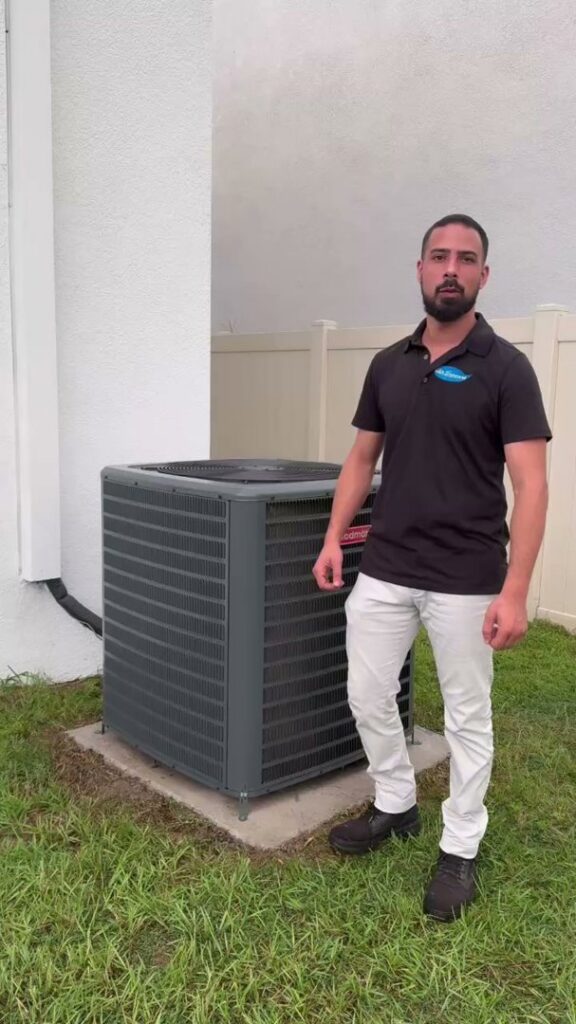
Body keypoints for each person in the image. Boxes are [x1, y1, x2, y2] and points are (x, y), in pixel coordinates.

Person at [312, 214, 551, 922]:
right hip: (386, 565)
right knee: (367, 693)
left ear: (483, 275)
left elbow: (532, 484)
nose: (451, 268)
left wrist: (515, 589)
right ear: (419, 269)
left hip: (467, 576)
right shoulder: (389, 364)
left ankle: (460, 845)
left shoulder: (506, 369)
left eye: (466, 259)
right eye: (439, 256)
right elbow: (362, 458)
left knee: (466, 716)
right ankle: (395, 803)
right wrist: (334, 538)